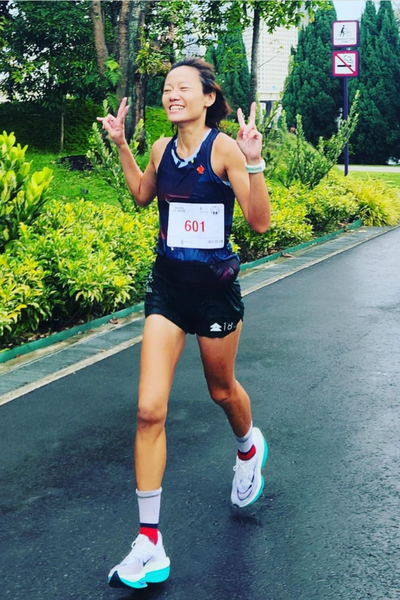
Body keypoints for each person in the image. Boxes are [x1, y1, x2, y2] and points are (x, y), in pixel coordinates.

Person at [97, 56, 271, 590]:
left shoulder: (223, 148)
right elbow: (142, 196)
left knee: (222, 391)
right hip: (168, 291)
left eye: (182, 88)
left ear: (207, 98)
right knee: (150, 410)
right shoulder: (160, 150)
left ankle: (248, 447)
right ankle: (149, 542)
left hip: (216, 295)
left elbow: (260, 223)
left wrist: (254, 161)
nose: (172, 95)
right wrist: (123, 145)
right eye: (167, 88)